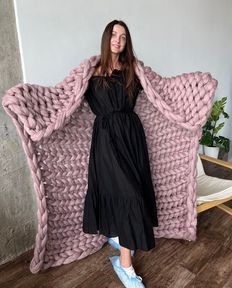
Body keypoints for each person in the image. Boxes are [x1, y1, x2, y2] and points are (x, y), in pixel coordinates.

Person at [82, 19, 158, 288]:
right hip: (105, 140)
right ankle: (125, 266)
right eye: (114, 34)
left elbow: (159, 90)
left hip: (132, 137)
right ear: (106, 37)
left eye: (123, 36)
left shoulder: (132, 70)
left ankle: (121, 245)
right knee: (128, 195)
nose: (118, 39)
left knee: (133, 191)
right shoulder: (90, 70)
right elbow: (65, 96)